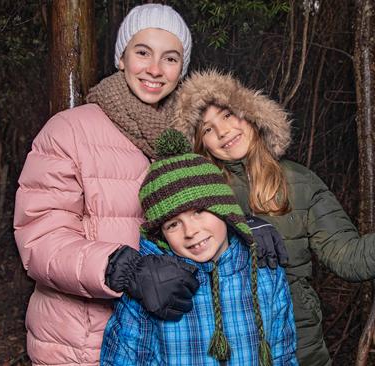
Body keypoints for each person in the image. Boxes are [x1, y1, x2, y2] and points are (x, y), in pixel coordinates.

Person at [172, 70, 375, 365]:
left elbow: (349, 257)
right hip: (224, 348)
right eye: (208, 129)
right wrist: (238, 231)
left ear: (250, 112)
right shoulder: (196, 193)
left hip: (300, 344)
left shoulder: (300, 182)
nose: (223, 132)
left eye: (227, 115)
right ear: (200, 143)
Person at [13, 5, 200, 365]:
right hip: (82, 345)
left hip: (167, 342)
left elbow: (207, 218)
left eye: (171, 58)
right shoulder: (69, 130)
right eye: (142, 52)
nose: (155, 69)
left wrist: (247, 229)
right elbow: (39, 239)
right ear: (121, 57)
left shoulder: (186, 140)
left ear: (182, 69)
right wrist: (124, 269)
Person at [100, 129, 298, 366]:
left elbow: (283, 355)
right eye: (173, 224)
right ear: (160, 235)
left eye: (199, 212)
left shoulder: (265, 272)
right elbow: (125, 360)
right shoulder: (150, 290)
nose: (190, 231)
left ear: (224, 208)